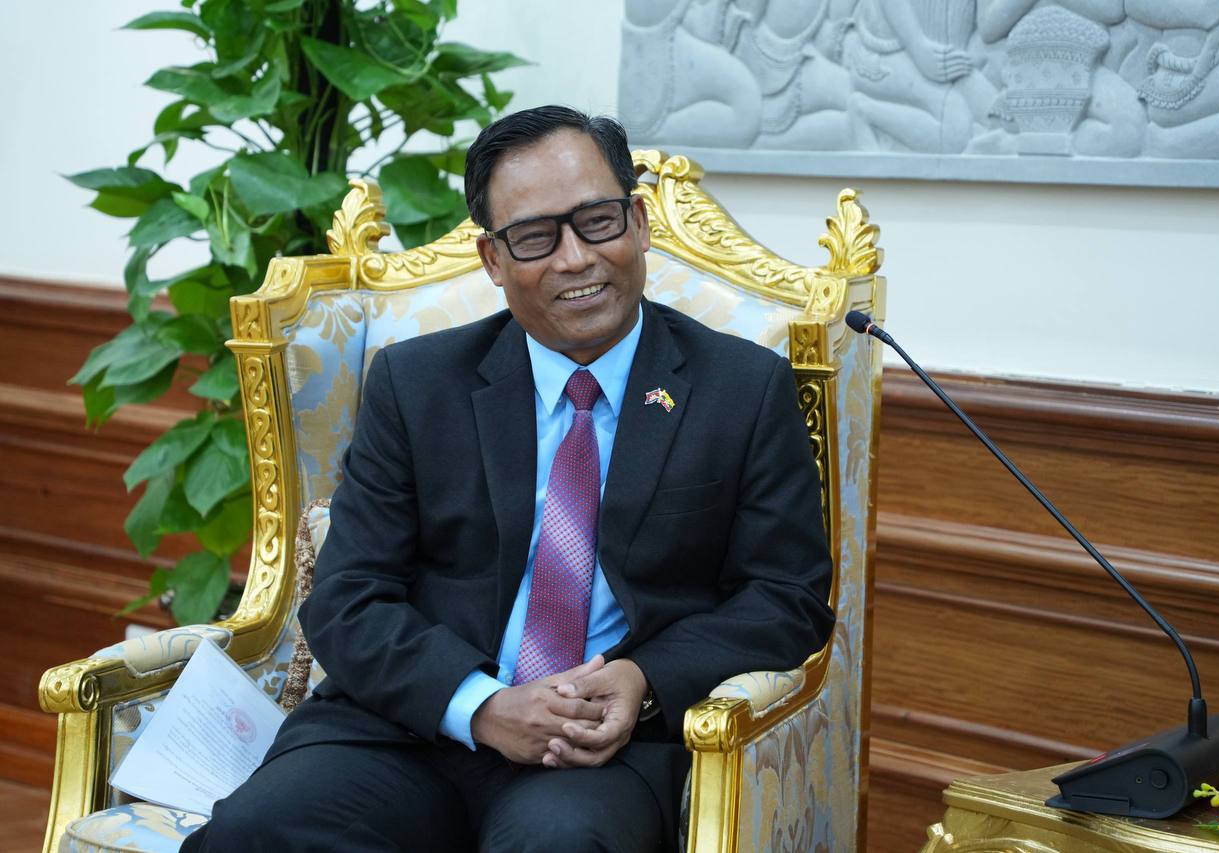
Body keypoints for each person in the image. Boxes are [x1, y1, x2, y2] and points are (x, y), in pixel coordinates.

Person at [182, 105, 834, 852]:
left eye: (597, 221)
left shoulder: (742, 388)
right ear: (493, 259)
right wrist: (482, 705)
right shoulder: (417, 383)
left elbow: (786, 595)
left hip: (600, 746)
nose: (575, 259)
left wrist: (645, 680)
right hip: (412, 725)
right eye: (534, 237)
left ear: (639, 222)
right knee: (254, 831)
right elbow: (348, 594)